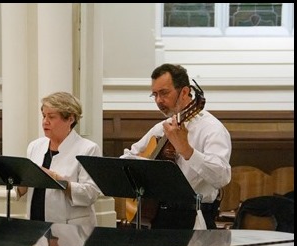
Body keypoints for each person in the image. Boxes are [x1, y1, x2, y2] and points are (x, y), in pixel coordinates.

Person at [120, 64, 232, 229]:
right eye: (155, 95)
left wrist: (187, 151)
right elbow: (128, 157)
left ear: (185, 92)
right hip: (157, 217)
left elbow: (221, 177)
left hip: (193, 218)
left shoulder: (212, 129)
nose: (158, 100)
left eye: (164, 93)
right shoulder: (163, 127)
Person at [17, 91, 102, 228]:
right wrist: (20, 180)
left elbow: (90, 194)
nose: (45, 121)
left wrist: (57, 179)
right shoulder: (35, 146)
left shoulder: (88, 149)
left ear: (70, 119)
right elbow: (24, 190)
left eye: (51, 117)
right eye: (44, 116)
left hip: (71, 228)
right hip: (35, 223)